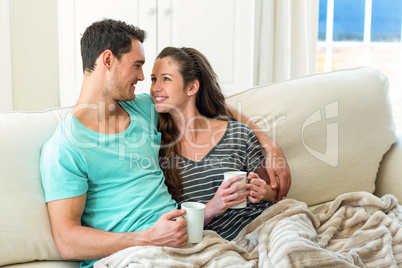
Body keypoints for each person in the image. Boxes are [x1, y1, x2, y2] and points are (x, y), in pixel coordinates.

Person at [40, 19, 290, 267]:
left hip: (185, 242)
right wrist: (146, 239)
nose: (141, 77)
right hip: (132, 256)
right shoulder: (65, 148)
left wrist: (267, 142)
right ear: (107, 60)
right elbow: (67, 241)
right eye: (137, 66)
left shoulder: (143, 109)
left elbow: (213, 106)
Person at [151, 47, 277, 240]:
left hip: (263, 229)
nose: (155, 88)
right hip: (215, 241)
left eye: (166, 79)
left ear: (192, 87)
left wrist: (262, 191)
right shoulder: (158, 149)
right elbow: (173, 227)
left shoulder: (238, 133)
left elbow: (273, 193)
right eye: (153, 79)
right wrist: (212, 207)